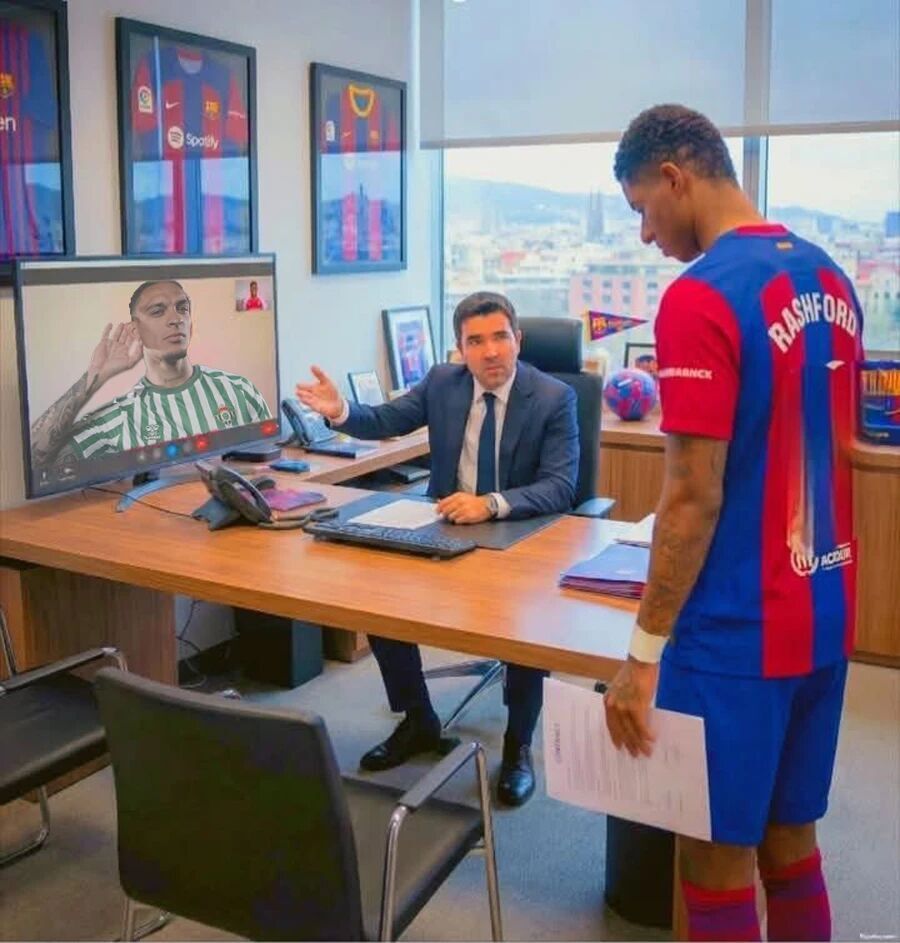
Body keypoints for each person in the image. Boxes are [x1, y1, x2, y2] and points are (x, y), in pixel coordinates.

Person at [603, 104, 862, 942]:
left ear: (675, 177)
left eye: (643, 208)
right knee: (792, 846)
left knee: (713, 866)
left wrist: (641, 657)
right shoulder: (830, 278)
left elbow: (692, 494)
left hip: (736, 634)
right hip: (824, 612)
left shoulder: (701, 295)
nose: (646, 234)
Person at [296, 291, 579, 806]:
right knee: (381, 599)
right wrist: (339, 411)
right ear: (460, 350)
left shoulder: (554, 397)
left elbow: (560, 486)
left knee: (526, 624)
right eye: (476, 341)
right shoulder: (442, 383)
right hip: (447, 527)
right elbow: (384, 421)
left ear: (518, 340)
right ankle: (418, 719)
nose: (490, 351)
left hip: (521, 533)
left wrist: (489, 504)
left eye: (500, 337)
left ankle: (517, 745)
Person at [30, 280, 272, 470]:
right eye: (158, 311)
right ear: (135, 329)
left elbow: (270, 466)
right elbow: (36, 460)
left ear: (191, 324)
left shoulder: (238, 391)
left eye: (182, 309)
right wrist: (95, 377)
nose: (176, 319)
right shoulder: (118, 421)